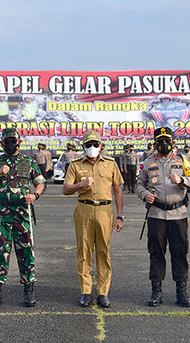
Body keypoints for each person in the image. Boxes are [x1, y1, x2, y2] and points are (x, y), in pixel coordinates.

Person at [0, 128, 45, 307]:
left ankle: (29, 290)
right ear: (1, 143)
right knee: (0, 251)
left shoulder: (28, 161)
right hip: (1, 213)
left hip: (22, 213)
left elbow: (40, 183)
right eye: (7, 141)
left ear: (19, 142)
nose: (10, 144)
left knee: (26, 251)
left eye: (13, 140)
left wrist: (35, 196)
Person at [136, 127, 190, 307]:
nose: (163, 144)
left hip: (178, 214)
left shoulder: (182, 160)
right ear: (155, 143)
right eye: (160, 141)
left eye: (166, 140)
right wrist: (145, 194)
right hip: (156, 214)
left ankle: (182, 292)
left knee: (180, 252)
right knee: (156, 253)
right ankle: (156, 291)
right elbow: (139, 184)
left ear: (173, 142)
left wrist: (182, 180)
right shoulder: (148, 163)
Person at [63, 130, 124, 308]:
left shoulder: (111, 164)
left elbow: (118, 191)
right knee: (85, 252)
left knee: (104, 252)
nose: (92, 147)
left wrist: (120, 216)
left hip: (105, 210)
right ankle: (86, 292)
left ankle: (103, 292)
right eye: (88, 144)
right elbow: (66, 189)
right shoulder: (75, 165)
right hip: (84, 209)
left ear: (101, 146)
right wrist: (80, 185)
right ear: (83, 147)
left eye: (95, 144)